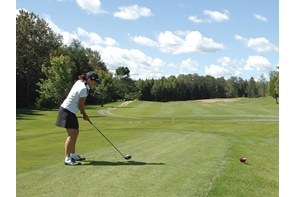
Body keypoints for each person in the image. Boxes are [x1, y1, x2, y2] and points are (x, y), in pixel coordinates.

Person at [55, 71, 100, 166]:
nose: (95, 84)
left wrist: (84, 114)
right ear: (88, 79)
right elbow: (81, 105)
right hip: (67, 111)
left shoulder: (80, 82)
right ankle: (67, 158)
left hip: (68, 111)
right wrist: (84, 115)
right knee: (72, 134)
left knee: (75, 132)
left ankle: (73, 154)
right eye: (94, 81)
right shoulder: (84, 89)